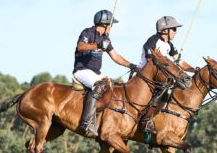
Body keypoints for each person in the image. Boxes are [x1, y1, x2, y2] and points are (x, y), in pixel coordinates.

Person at [73, 9, 138, 138]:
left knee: (112, 87)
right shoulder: (88, 32)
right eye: (111, 25)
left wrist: (131, 65)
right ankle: (87, 122)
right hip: (82, 70)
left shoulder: (105, 39)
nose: (112, 28)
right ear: (105, 24)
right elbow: (81, 46)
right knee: (100, 85)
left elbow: (116, 56)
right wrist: (98, 44)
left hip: (95, 73)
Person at [139, 16, 194, 133]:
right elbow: (150, 62)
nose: (176, 32)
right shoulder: (153, 41)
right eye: (174, 29)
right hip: (145, 75)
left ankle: (156, 117)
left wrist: (194, 70)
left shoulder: (170, 45)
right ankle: (145, 120)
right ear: (165, 30)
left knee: (173, 90)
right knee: (164, 90)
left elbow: (180, 62)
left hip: (160, 78)